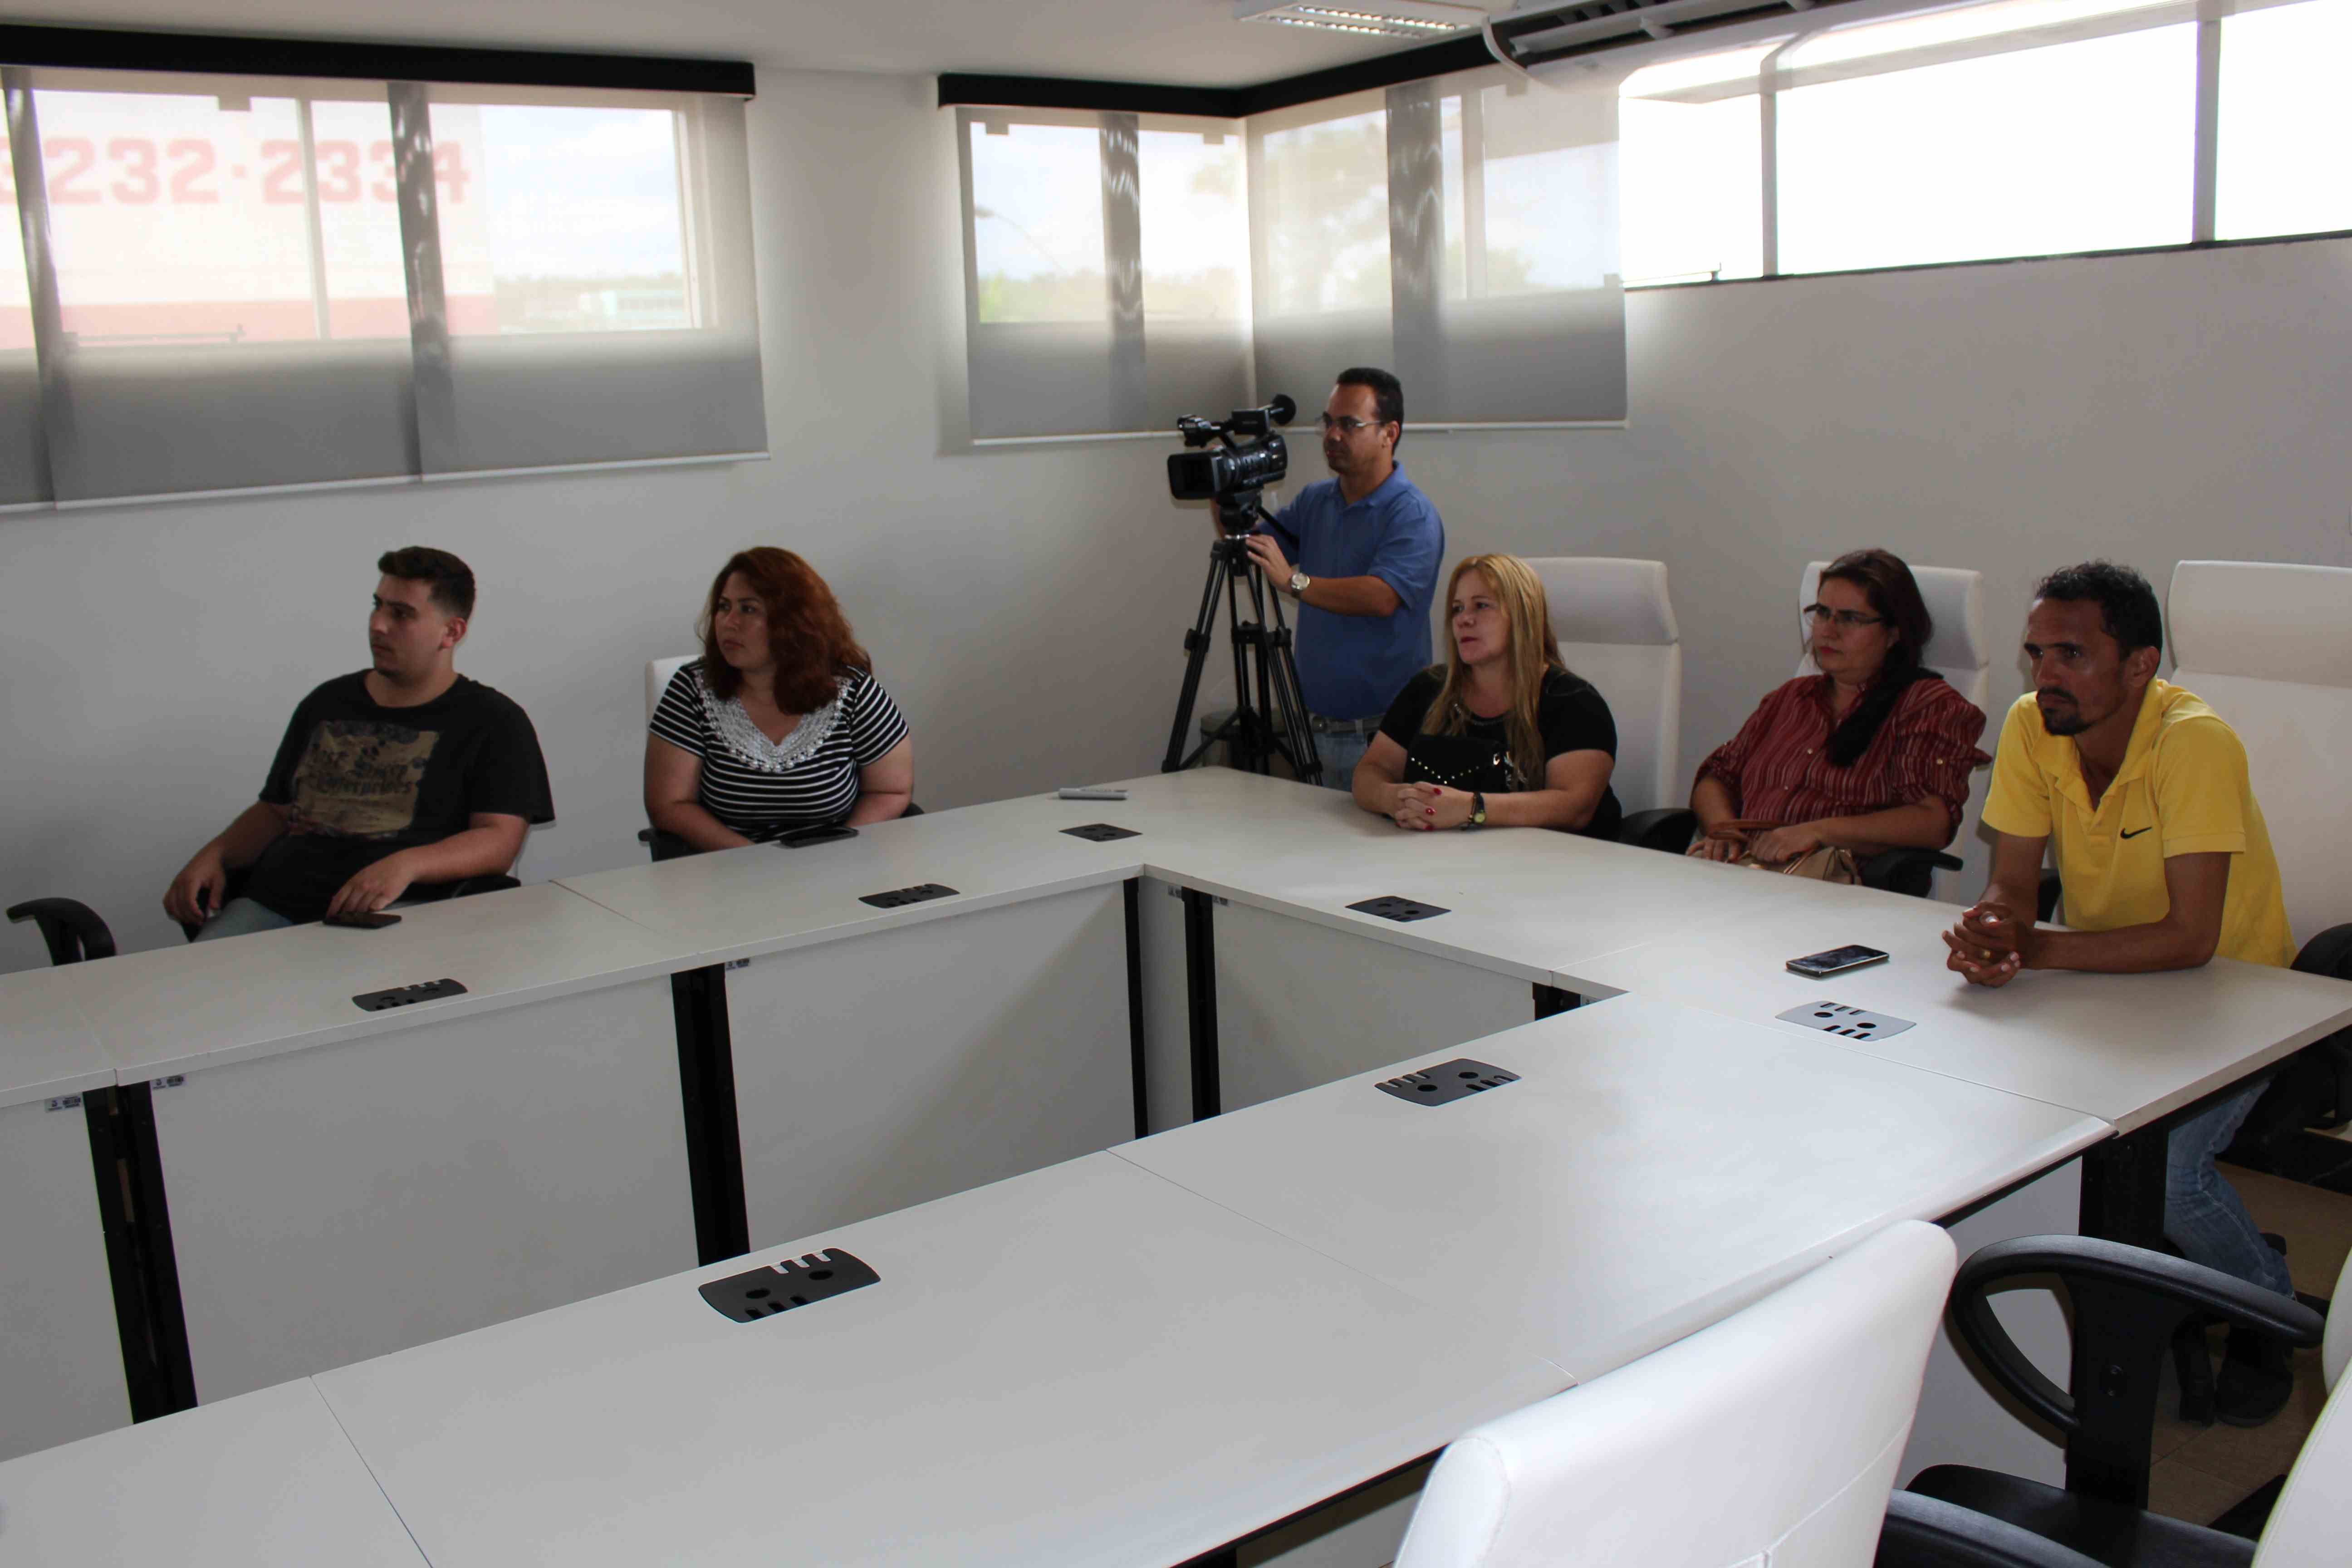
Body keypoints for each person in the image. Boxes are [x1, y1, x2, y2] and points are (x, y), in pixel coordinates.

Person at [1943, 560, 2298, 1423]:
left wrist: (2038, 949)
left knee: (2169, 1176)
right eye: (2035, 653)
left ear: (2140, 665)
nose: (2044, 674)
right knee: (1979, 1103)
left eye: (2070, 654)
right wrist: (1993, 932)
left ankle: (2268, 1310)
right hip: (2102, 989)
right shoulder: (2033, 724)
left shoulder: (2193, 741)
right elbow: (2012, 885)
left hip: (2241, 1001)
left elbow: (2191, 937)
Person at [162, 548, 553, 938]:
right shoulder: (327, 702)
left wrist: (408, 864)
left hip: (400, 911)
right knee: (202, 973)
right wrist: (217, 854)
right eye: (377, 606)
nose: (378, 625)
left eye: (401, 614)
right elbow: (276, 812)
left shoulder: (494, 721)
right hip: (278, 902)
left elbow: (499, 840)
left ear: (451, 632)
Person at [1689, 549, 1987, 881]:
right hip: (1745, 874)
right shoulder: (1791, 698)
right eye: (1822, 613)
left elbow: (1932, 821)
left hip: (1833, 888)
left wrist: (1818, 832)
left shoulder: (1928, 706)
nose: (1828, 631)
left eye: (1850, 618)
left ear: (1894, 633)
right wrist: (1723, 830)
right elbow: (1718, 776)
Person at [1239, 367, 1445, 790]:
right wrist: (1227, 494)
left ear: (1389, 433)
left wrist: (1295, 583)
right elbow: (1254, 549)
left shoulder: (1411, 514)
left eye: (1350, 424)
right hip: (1311, 733)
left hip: (1382, 738)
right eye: (1328, 422)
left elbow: (1382, 596)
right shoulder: (1316, 501)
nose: (1333, 435)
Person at [646, 547, 912, 850]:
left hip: (836, 861)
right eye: (724, 607)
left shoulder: (852, 691)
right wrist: (754, 860)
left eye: (748, 609)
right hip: (729, 865)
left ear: (794, 622)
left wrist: (840, 851)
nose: (728, 622)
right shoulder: (692, 687)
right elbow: (670, 805)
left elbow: (890, 791)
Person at [1353, 554, 1622, 838]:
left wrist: (1472, 809)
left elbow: (1574, 808)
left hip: (1557, 860)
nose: (1464, 620)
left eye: (1481, 606)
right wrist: (1395, 800)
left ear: (1522, 615)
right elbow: (1371, 770)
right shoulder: (1428, 687)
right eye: (1457, 609)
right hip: (1440, 856)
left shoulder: (1575, 702)